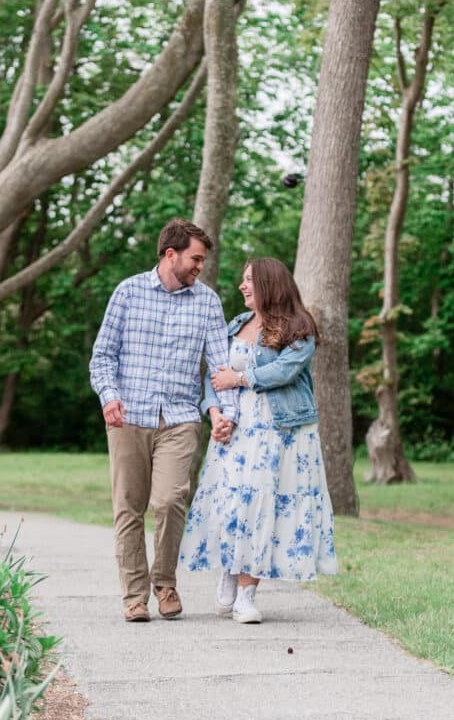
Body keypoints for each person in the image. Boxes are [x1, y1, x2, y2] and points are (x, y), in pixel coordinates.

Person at [90, 218, 239, 623]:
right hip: (129, 417)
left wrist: (222, 413)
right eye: (195, 258)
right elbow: (102, 356)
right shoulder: (128, 293)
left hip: (179, 418)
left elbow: (219, 366)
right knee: (128, 508)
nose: (199, 267)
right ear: (170, 255)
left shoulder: (207, 301)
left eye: (202, 260)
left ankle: (165, 582)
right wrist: (109, 396)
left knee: (171, 499)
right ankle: (134, 598)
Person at [179, 256, 337, 623]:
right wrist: (216, 413)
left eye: (249, 279)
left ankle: (248, 594)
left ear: (269, 283)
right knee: (233, 504)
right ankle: (230, 572)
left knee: (266, 507)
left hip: (281, 432)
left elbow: (283, 371)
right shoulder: (237, 324)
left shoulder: (300, 327)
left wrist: (238, 379)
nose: (242, 286)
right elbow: (214, 374)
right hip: (237, 430)